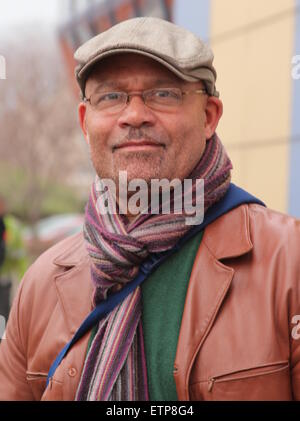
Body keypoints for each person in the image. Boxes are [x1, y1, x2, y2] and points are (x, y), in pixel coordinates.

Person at [0, 17, 299, 401]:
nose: (135, 115)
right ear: (84, 122)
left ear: (209, 116)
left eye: (163, 94)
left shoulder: (289, 262)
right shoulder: (38, 288)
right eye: (110, 96)